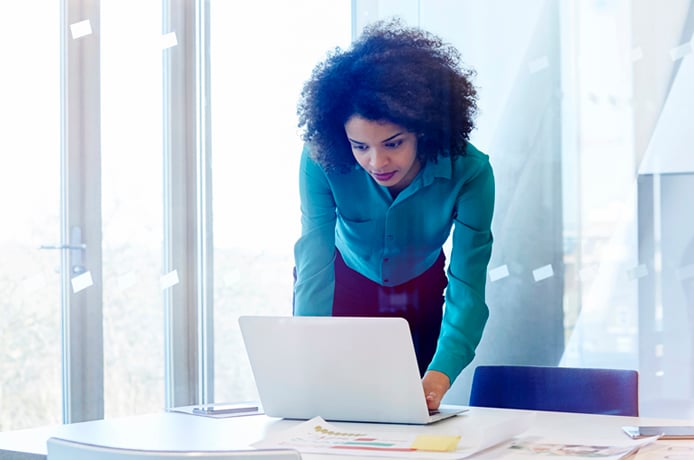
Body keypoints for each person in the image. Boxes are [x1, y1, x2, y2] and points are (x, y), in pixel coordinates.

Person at [292, 19, 495, 410]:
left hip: (419, 291)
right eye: (359, 146)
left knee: (412, 412)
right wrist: (307, 354)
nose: (376, 161)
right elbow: (314, 264)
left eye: (393, 143)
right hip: (342, 283)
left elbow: (467, 287)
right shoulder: (319, 160)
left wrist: (442, 372)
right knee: (327, 407)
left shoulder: (471, 172)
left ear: (425, 129)